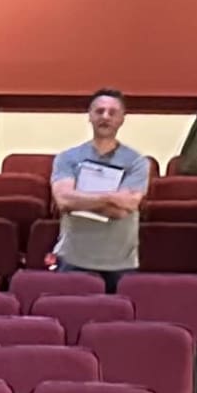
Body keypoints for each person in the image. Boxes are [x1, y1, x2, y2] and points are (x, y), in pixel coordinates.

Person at [48, 89, 153, 280]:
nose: (105, 117)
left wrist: (80, 200)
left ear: (122, 118)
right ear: (89, 115)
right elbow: (64, 200)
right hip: (73, 259)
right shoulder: (67, 158)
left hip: (120, 263)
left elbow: (126, 207)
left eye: (112, 112)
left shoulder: (137, 162)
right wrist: (111, 197)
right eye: (99, 111)